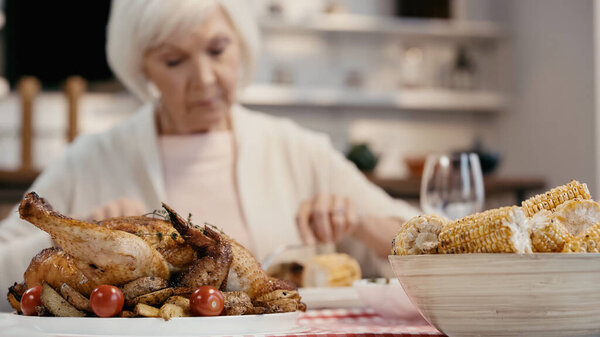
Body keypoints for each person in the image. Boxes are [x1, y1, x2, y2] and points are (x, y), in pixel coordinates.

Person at [0, 0, 418, 311]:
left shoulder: (296, 150)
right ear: (142, 67)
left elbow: (425, 243)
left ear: (242, 46)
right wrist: (73, 238)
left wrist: (357, 222)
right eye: (174, 60)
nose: (203, 78)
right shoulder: (94, 157)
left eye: (217, 51)